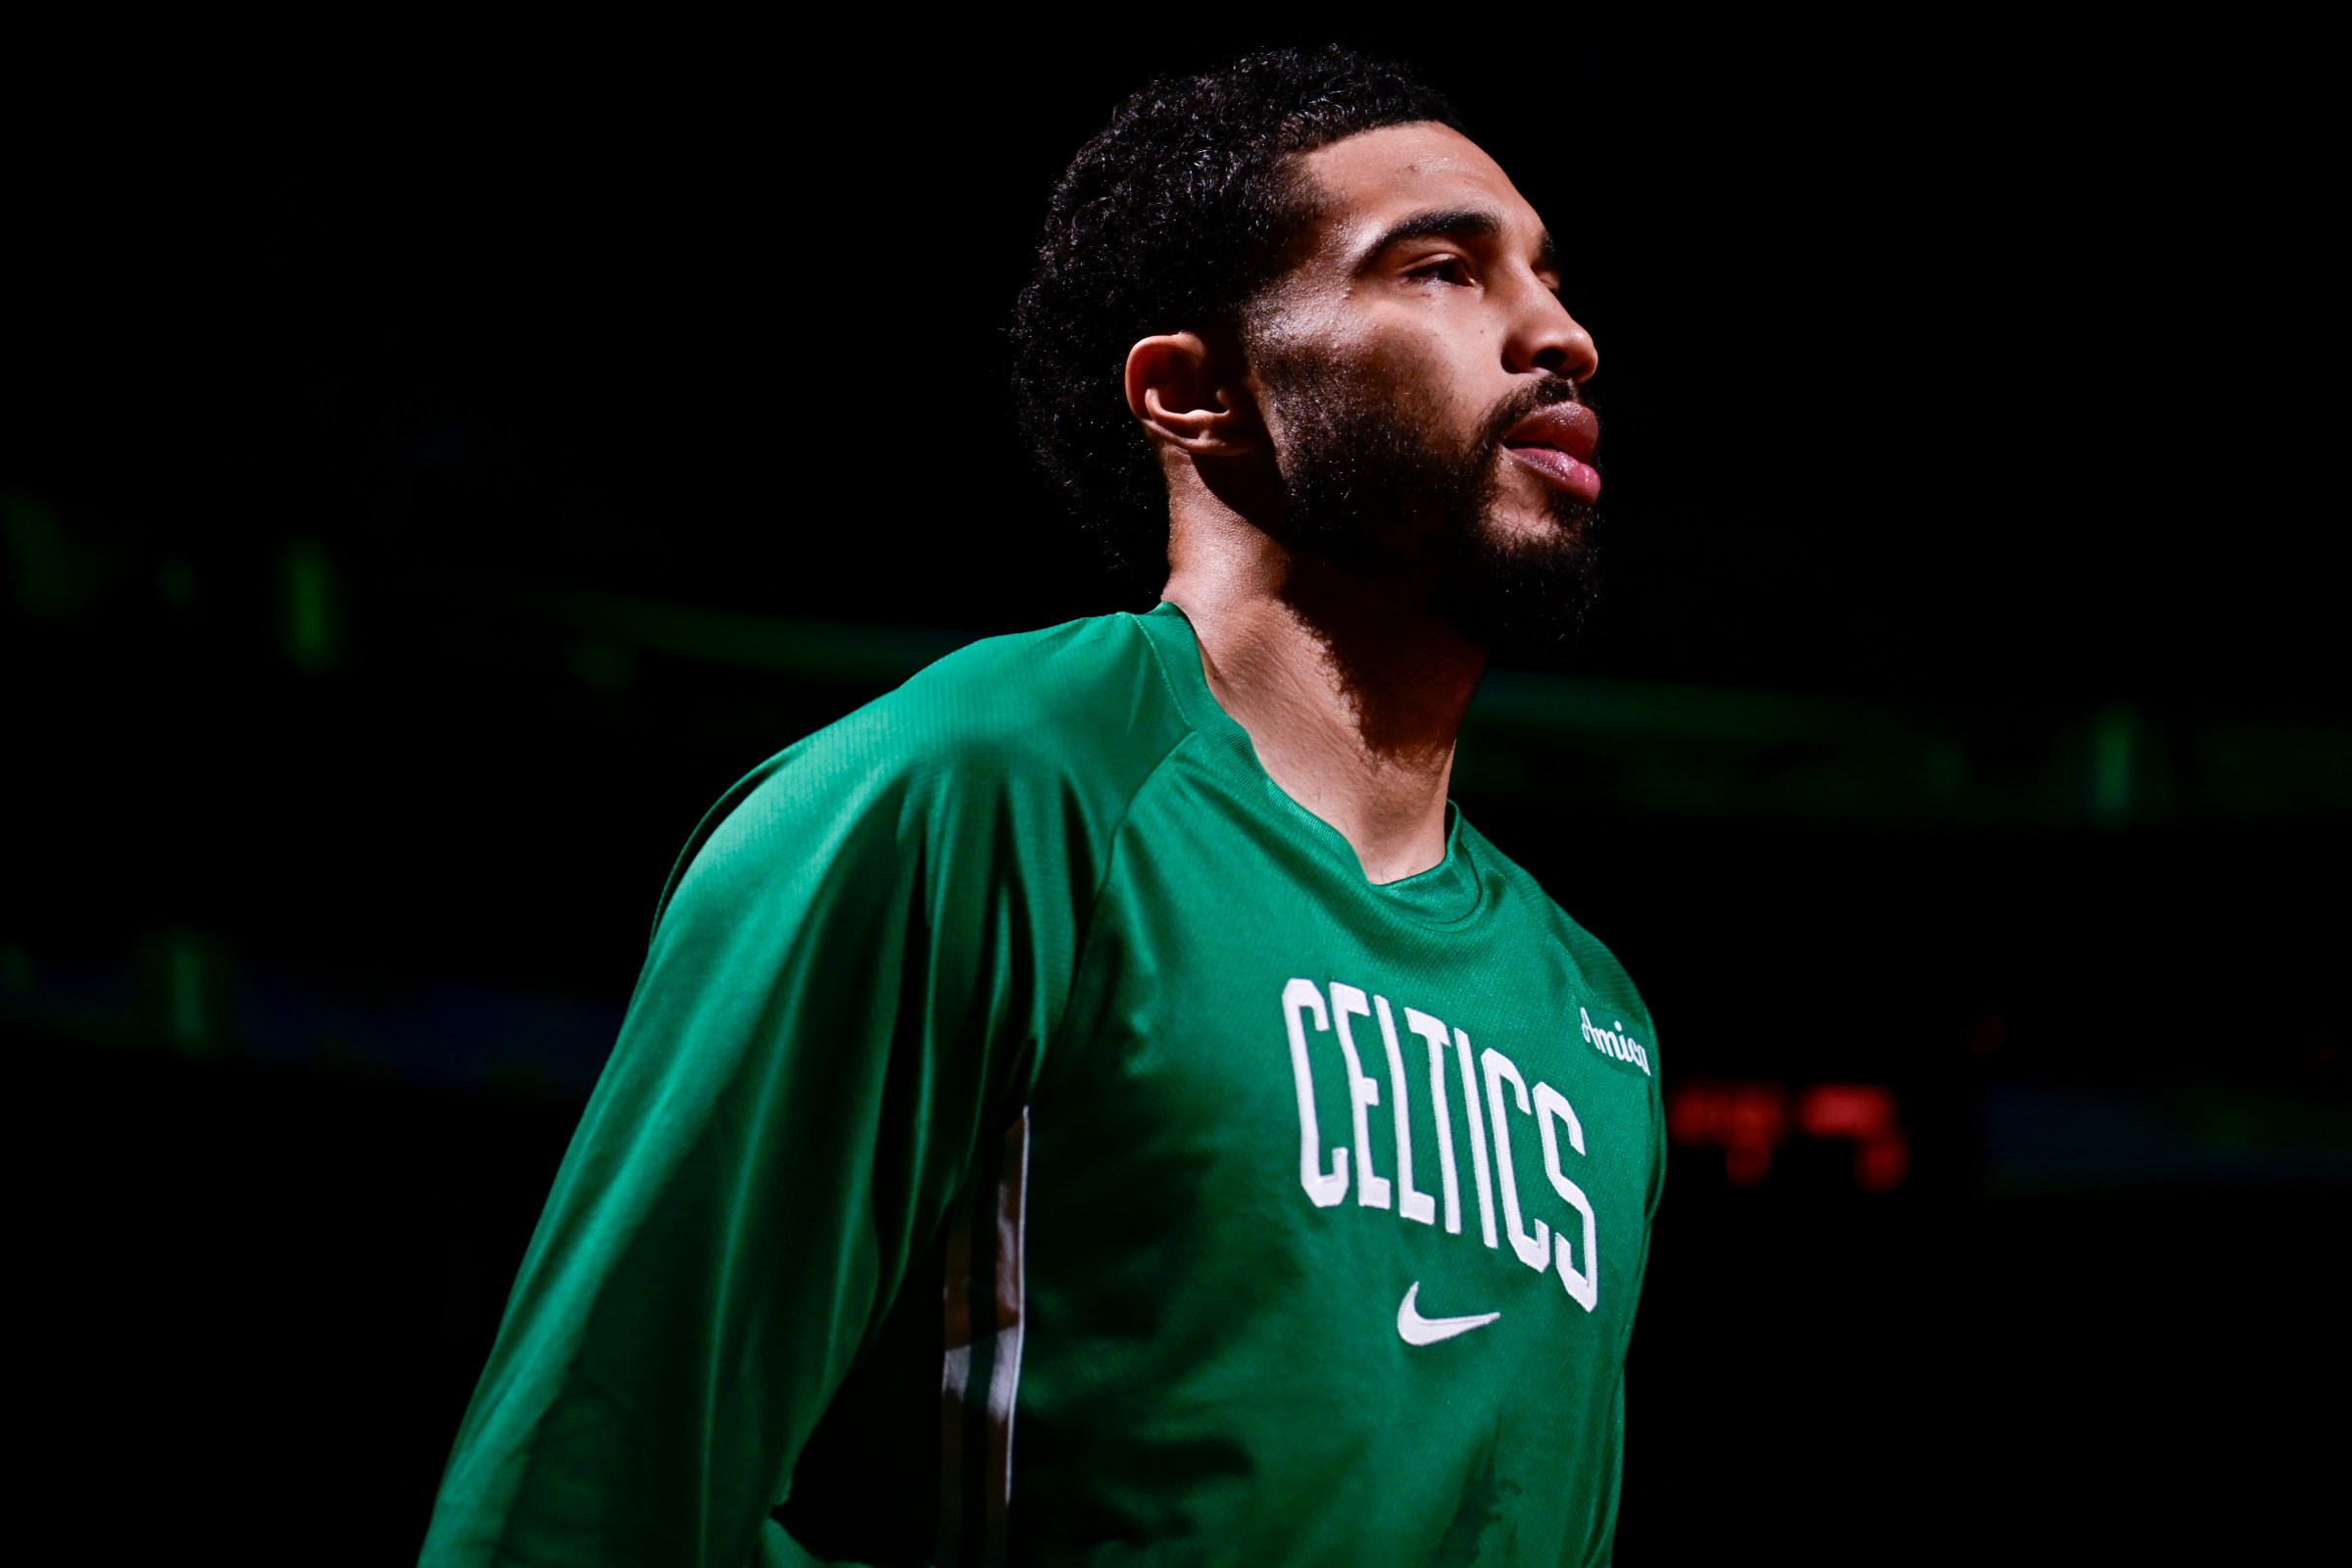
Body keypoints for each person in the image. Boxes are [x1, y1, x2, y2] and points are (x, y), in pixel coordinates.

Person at [420, 45, 1662, 1568]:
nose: (1563, 335)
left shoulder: (1597, 1022)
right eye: (1443, 272)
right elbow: (582, 1505)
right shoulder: (990, 790)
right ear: (1199, 395)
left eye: (1549, 275)